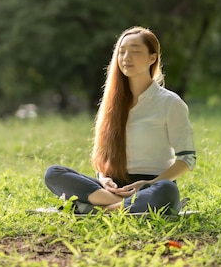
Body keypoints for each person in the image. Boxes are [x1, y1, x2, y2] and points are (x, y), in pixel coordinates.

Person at [44, 26, 196, 214]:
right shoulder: (112, 103)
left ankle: (100, 209)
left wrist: (149, 183)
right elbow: (105, 157)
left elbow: (187, 159)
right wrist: (103, 178)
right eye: (122, 52)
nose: (126, 58)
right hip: (113, 187)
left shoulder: (170, 103)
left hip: (152, 187)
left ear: (152, 58)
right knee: (54, 174)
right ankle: (122, 206)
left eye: (135, 51)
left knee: (167, 190)